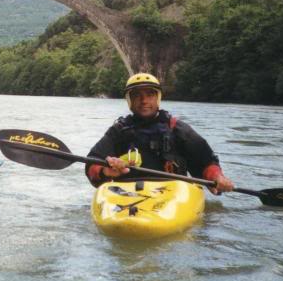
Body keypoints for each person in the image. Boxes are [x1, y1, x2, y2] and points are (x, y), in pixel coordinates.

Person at [85, 73, 234, 194]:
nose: (144, 101)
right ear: (129, 100)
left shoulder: (178, 129)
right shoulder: (118, 131)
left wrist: (217, 177)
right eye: (137, 95)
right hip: (127, 192)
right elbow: (92, 163)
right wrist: (105, 172)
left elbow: (206, 161)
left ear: (158, 98)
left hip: (173, 193)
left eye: (150, 94)